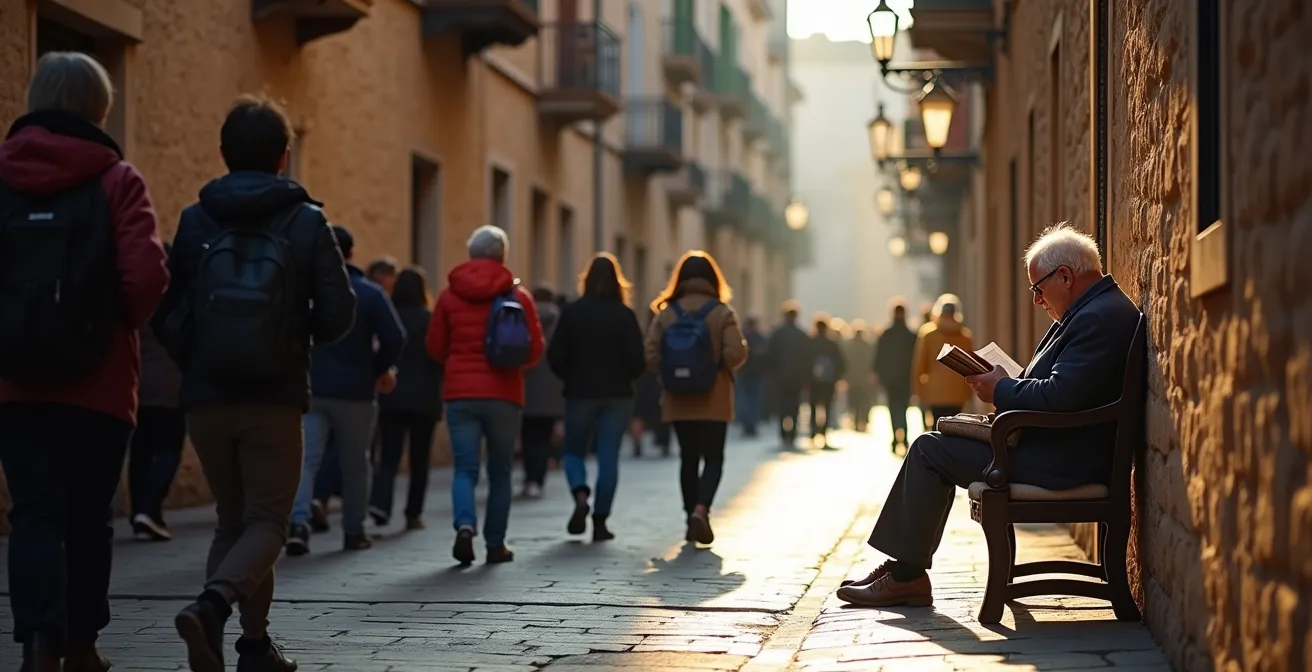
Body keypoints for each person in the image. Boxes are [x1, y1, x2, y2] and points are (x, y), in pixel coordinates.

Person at [837, 224, 1139, 608]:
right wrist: (1009, 383)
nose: (1036, 300)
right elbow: (1064, 389)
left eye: (1038, 288)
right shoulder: (1094, 310)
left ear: (1065, 275)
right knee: (932, 445)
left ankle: (906, 576)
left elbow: (1061, 395)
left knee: (929, 450)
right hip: (1052, 446)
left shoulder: (1096, 317)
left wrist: (1001, 388)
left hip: (1061, 460)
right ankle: (905, 570)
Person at [155, 94, 356, 671]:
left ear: (222, 154)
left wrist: (194, 353)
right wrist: (294, 337)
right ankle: (213, 609)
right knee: (269, 520)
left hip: (206, 394)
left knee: (232, 520)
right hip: (274, 393)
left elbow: (166, 309)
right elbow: (340, 314)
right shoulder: (306, 220)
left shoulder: (196, 219)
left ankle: (253, 646)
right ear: (284, 157)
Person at [0, 51, 169, 672]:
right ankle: (80, 643)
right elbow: (147, 275)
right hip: (99, 382)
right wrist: (110, 319)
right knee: (89, 515)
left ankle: (36, 645)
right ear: (101, 107)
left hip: (14, 381)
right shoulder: (116, 178)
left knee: (34, 511)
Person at [426, 225, 545, 565]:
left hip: (460, 393)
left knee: (464, 468)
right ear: (502, 255)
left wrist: (457, 360)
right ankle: (495, 544)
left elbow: (434, 346)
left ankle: (465, 525)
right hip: (505, 393)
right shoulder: (518, 297)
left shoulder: (450, 295)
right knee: (500, 471)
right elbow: (534, 349)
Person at [286, 225, 405, 556]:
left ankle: (298, 524)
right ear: (351, 254)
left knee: (306, 460)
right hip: (356, 391)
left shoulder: (305, 293)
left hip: (311, 387)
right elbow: (395, 337)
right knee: (356, 463)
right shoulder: (369, 294)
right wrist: (379, 369)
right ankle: (354, 530)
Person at [644, 251, 747, 545]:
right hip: (715, 398)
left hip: (679, 399)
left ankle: (689, 513)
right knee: (713, 457)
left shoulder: (667, 312)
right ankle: (702, 510)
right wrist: (717, 362)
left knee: (688, 458)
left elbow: (650, 355)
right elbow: (736, 354)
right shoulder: (722, 312)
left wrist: (672, 371)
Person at [547, 253, 646, 542]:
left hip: (580, 393)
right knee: (608, 457)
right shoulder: (625, 315)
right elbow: (638, 362)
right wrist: (626, 376)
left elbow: (555, 355)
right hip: (617, 395)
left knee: (574, 451)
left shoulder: (573, 312)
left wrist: (569, 377)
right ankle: (600, 521)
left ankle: (580, 493)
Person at [370, 267, 443, 530]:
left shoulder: (390, 316)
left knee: (389, 454)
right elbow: (440, 355)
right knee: (420, 458)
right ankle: (413, 513)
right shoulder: (430, 319)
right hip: (425, 397)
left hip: (393, 394)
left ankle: (380, 503)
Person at [130, 242, 187, 543]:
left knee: (140, 451)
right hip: (171, 386)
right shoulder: (178, 298)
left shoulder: (139, 294)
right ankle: (150, 510)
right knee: (168, 449)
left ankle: (141, 511)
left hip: (137, 384)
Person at [520, 283, 565, 499]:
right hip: (552, 390)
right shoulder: (561, 321)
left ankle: (529, 478)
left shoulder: (523, 316)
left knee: (528, 436)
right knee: (545, 438)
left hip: (525, 385)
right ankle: (538, 478)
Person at [911, 294, 974, 428]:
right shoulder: (965, 336)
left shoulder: (928, 333)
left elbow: (921, 364)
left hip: (935, 391)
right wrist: (969, 392)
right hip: (958, 392)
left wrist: (918, 389)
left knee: (937, 426)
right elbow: (970, 365)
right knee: (955, 428)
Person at [873, 299, 918, 453]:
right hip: (905, 377)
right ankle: (903, 437)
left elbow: (879, 356)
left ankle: (896, 437)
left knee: (893, 408)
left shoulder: (886, 334)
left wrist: (879, 373)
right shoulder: (910, 335)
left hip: (891, 378)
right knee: (903, 408)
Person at [766, 301, 810, 448]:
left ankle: (783, 433)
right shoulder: (802, 335)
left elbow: (770, 356)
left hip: (780, 377)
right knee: (794, 406)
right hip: (796, 377)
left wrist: (771, 375)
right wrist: (806, 377)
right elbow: (807, 359)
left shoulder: (777, 334)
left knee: (782, 406)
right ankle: (792, 434)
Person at [806, 314, 846, 447]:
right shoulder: (832, 343)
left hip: (813, 382)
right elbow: (840, 362)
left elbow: (804, 362)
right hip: (828, 382)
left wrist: (806, 377)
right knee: (827, 408)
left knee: (813, 407)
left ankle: (813, 432)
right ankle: (823, 434)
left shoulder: (810, 343)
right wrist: (837, 378)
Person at [736, 317, 769, 438]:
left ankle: (747, 425)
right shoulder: (760, 339)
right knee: (754, 400)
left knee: (745, 400)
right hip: (756, 374)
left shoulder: (741, 338)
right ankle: (751, 425)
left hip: (745, 373)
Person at [841, 319, 875, 433]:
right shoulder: (868, 345)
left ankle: (855, 419)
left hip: (853, 377)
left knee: (854, 400)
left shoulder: (849, 346)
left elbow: (845, 361)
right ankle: (863, 420)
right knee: (864, 400)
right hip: (864, 377)